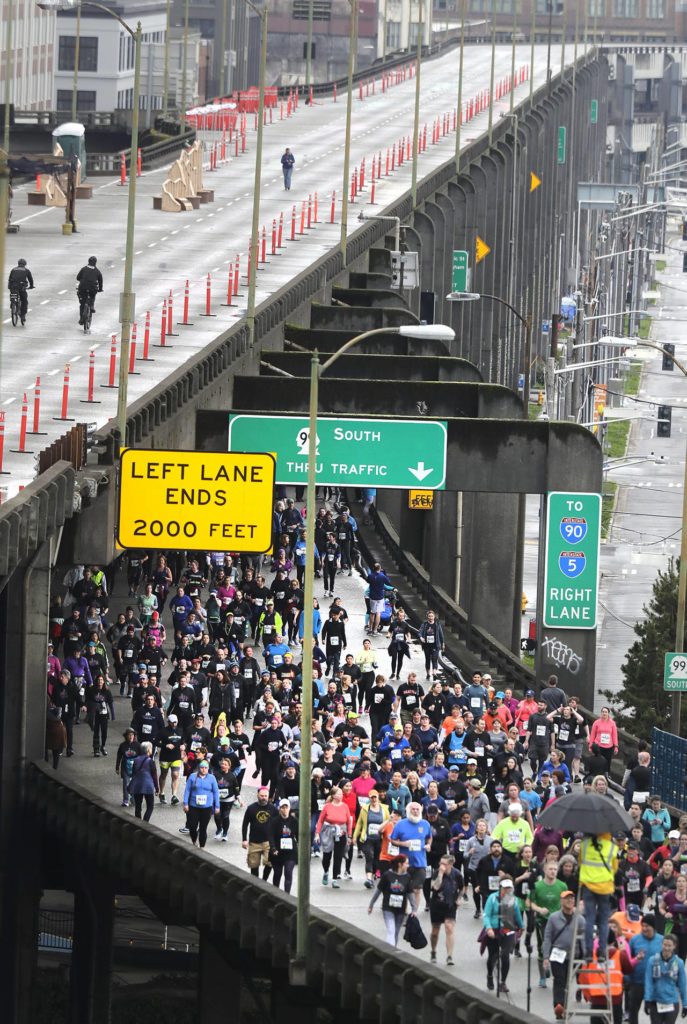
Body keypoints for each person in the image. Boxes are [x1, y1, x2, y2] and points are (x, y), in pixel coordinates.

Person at [542, 889, 586, 1018]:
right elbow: (548, 937)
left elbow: (583, 939)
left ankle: (563, 1008)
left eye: (572, 898)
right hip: (557, 954)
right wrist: (545, 957)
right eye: (567, 898)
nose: (570, 901)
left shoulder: (580, 919)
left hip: (573, 955)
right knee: (559, 980)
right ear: (561, 901)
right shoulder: (554, 917)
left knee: (567, 982)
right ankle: (558, 1005)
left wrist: (586, 958)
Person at [579, 831, 619, 961]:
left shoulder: (584, 844)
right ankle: (602, 951)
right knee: (603, 921)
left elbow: (580, 862)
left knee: (589, 919)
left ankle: (589, 952)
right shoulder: (612, 846)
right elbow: (615, 868)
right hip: (605, 886)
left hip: (588, 885)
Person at [483, 876, 524, 993]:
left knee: (505, 955)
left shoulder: (512, 899)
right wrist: (489, 928)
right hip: (494, 929)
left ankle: (503, 982)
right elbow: (486, 915)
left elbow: (517, 915)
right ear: (500, 887)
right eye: (505, 888)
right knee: (493, 956)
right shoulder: (492, 898)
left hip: (507, 928)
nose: (507, 890)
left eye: (509, 888)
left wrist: (521, 926)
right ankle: (490, 975)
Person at [368, 855, 417, 947]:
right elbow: (378, 891)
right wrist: (371, 905)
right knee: (391, 930)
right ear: (400, 864)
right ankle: (389, 952)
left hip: (400, 909)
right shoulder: (387, 875)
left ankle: (392, 950)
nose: (408, 865)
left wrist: (414, 909)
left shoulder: (407, 877)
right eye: (406, 863)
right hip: (388, 908)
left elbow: (410, 893)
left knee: (396, 932)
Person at [627, 913, 663, 1024]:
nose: (644, 928)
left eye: (647, 926)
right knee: (633, 1011)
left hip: (655, 983)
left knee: (655, 1014)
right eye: (642, 925)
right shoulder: (634, 940)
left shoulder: (662, 940)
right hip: (637, 982)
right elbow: (628, 961)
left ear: (653, 926)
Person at [644, 933, 687, 1024]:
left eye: (669, 946)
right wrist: (647, 999)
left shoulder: (679, 963)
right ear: (661, 944)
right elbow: (648, 981)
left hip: (672, 1001)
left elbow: (682, 984)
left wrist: (685, 1004)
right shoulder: (652, 960)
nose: (666, 948)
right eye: (665, 945)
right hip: (656, 1001)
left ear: (674, 946)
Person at [429, 854, 463, 967]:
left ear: (451, 864)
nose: (442, 866)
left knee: (449, 928)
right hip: (437, 904)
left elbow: (462, 888)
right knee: (435, 931)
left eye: (444, 864)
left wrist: (458, 899)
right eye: (441, 863)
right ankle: (433, 951)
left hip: (450, 904)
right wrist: (440, 873)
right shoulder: (437, 872)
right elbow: (435, 887)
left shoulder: (457, 874)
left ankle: (449, 956)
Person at [315, 786, 353, 888]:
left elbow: (349, 822)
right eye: (338, 794)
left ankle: (335, 878)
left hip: (341, 833)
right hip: (328, 831)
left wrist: (350, 835)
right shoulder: (327, 806)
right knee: (327, 855)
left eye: (341, 794)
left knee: (338, 856)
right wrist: (317, 834)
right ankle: (326, 871)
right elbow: (320, 821)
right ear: (332, 795)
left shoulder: (345, 806)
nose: (340, 795)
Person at [242, 787, 279, 880]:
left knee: (270, 863)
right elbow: (245, 824)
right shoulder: (251, 808)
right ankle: (256, 883)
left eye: (266, 796)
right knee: (253, 865)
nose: (264, 798)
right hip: (254, 842)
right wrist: (244, 839)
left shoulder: (273, 809)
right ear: (257, 795)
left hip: (268, 842)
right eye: (262, 796)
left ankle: (264, 880)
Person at [183, 759, 220, 849]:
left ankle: (202, 847)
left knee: (203, 828)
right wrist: (185, 803)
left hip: (207, 807)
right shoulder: (192, 777)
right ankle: (194, 840)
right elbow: (187, 790)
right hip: (194, 806)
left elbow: (216, 792)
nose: (204, 769)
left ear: (208, 769)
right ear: (199, 768)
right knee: (193, 826)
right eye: (202, 768)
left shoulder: (212, 778)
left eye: (205, 768)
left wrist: (217, 806)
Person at [269, 799, 299, 893]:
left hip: (290, 852)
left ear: (289, 808)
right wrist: (273, 848)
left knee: (288, 873)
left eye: (287, 807)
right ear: (279, 809)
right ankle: (276, 895)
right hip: (278, 851)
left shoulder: (294, 821)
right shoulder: (274, 821)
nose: (285, 810)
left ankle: (287, 896)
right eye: (283, 807)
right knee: (277, 874)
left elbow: (299, 836)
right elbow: (270, 836)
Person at [128, 741, 159, 821]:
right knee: (150, 806)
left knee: (138, 807)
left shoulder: (136, 760)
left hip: (137, 786)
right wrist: (157, 788)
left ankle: (138, 823)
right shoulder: (151, 761)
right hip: (148, 786)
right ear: (148, 750)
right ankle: (145, 823)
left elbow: (133, 773)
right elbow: (154, 776)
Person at [76, 256, 103, 324]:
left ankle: (81, 319)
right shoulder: (97, 271)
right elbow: (100, 281)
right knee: (93, 295)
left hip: (83, 288)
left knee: (82, 304)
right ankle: (91, 306)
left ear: (88, 261)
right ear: (95, 263)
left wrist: (83, 280)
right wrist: (100, 289)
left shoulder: (84, 269)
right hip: (92, 288)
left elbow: (78, 278)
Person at [7, 257, 34, 324]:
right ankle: (23, 315)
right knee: (24, 300)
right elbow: (30, 279)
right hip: (21, 287)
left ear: (18, 263)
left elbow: (10, 279)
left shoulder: (13, 269)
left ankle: (13, 305)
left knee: (13, 297)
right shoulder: (26, 270)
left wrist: (10, 287)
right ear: (25, 264)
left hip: (13, 287)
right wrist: (31, 286)